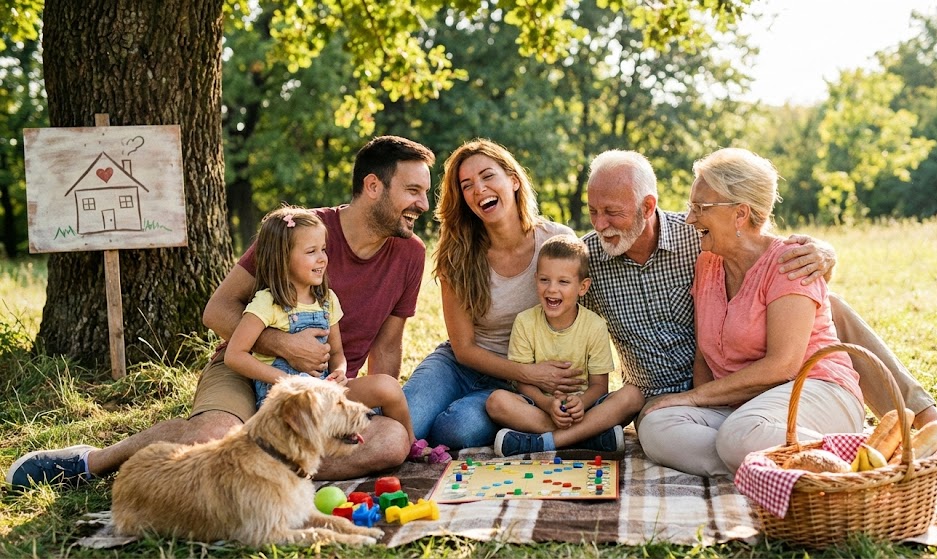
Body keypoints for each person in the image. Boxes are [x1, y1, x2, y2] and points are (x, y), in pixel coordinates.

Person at [8, 135, 437, 488]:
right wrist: (282, 343)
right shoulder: (302, 232)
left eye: (425, 192)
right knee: (214, 435)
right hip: (247, 366)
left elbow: (388, 345)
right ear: (373, 186)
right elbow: (217, 309)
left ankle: (252, 468)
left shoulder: (411, 255)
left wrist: (361, 401)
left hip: (318, 391)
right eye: (413, 190)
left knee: (389, 442)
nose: (423, 203)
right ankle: (93, 462)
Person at [579, 149, 937, 469]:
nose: (600, 224)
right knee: (665, 435)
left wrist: (823, 254)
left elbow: (773, 261)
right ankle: (779, 463)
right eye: (593, 211)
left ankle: (914, 429)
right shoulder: (601, 259)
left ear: (648, 207)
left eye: (611, 212)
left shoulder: (699, 242)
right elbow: (545, 287)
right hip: (694, 400)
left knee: (830, 307)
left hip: (779, 386)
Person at [402, 138, 645, 452]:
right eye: (467, 185)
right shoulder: (458, 253)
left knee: (454, 431)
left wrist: (549, 385)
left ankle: (548, 434)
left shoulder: (556, 241)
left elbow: (577, 319)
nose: (479, 189)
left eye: (488, 176)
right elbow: (463, 348)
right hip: (461, 366)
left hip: (517, 384)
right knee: (405, 422)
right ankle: (587, 434)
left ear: (513, 180)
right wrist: (530, 373)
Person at [637, 147, 864, 474]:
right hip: (746, 410)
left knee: (738, 436)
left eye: (701, 207)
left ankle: (855, 464)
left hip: (817, 391)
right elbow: (704, 355)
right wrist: (698, 401)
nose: (690, 218)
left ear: (740, 214)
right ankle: (764, 467)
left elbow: (783, 365)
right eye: (691, 207)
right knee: (656, 425)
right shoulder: (708, 263)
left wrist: (694, 398)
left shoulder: (791, 261)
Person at [223, 205, 417, 448]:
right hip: (289, 401)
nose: (322, 258)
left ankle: (412, 446)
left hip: (326, 391)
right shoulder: (267, 302)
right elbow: (235, 356)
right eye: (311, 251)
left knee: (388, 387)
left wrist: (339, 372)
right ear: (283, 257)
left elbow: (337, 354)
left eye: (323, 249)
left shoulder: (327, 300)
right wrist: (286, 381)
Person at [486, 234, 621, 456]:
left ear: (583, 286)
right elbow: (523, 382)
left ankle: (543, 442)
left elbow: (599, 386)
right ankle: (589, 437)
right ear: (535, 279)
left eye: (563, 282)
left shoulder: (594, 325)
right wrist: (547, 405)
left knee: (632, 397)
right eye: (544, 280)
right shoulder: (525, 322)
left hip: (585, 409)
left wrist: (581, 403)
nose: (552, 289)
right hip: (539, 408)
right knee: (496, 402)